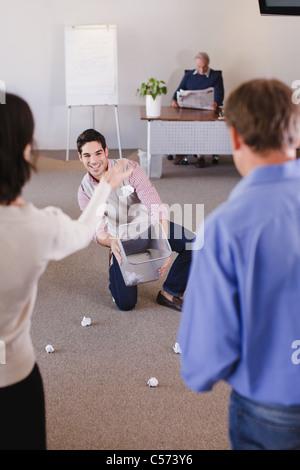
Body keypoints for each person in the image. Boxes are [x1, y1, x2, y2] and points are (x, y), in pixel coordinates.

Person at [0, 93, 132, 450]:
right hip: (13, 379)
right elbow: (81, 232)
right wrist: (106, 188)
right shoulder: (40, 227)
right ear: (27, 152)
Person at [177, 78, 300, 450]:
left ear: (234, 139)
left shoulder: (225, 229)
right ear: (295, 132)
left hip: (272, 410)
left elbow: (203, 362)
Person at [77, 128, 194, 312]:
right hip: (120, 239)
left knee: (193, 245)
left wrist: (163, 246)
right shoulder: (84, 191)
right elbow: (96, 231)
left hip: (149, 227)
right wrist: (111, 242)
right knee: (126, 305)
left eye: (98, 153)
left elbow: (155, 206)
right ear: (80, 158)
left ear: (106, 151)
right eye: (87, 155)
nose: (94, 160)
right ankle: (114, 265)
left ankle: (170, 293)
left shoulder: (130, 169)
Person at [171, 52, 224, 168]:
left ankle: (200, 156)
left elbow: (220, 95)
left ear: (208, 64)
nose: (201, 69)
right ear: (195, 65)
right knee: (180, 123)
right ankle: (182, 150)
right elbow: (178, 91)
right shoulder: (189, 75)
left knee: (200, 125)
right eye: (199, 66)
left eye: (204, 66)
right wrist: (174, 100)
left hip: (207, 110)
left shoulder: (216, 76)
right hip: (189, 109)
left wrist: (215, 103)